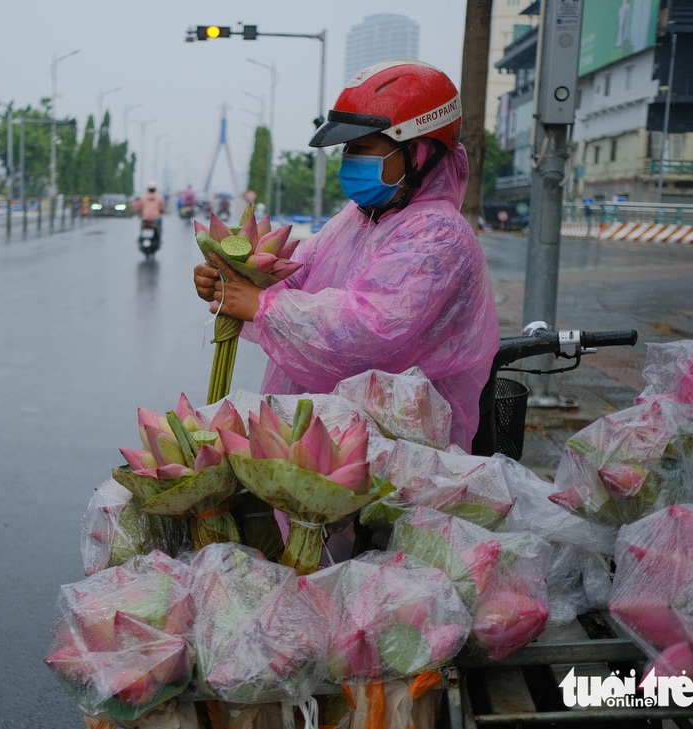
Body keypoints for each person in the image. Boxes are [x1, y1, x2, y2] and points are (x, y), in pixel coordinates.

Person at [192, 60, 499, 450]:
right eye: (348, 150)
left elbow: (370, 331)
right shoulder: (356, 218)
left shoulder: (438, 235)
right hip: (330, 433)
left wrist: (262, 306)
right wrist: (235, 281)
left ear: (417, 153)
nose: (350, 159)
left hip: (399, 446)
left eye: (362, 148)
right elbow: (298, 277)